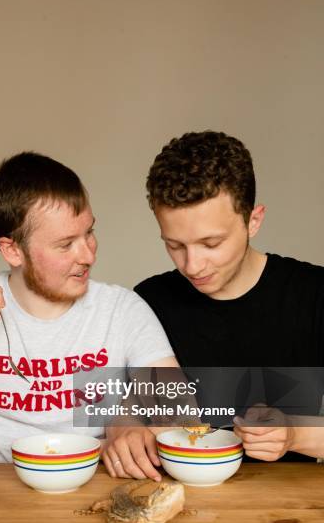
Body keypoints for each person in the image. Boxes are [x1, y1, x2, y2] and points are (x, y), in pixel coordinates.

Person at [0, 152, 178, 479]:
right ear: (13, 250)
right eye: (66, 244)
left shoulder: (122, 310)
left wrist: (124, 420)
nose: (88, 255)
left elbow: (179, 418)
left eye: (89, 233)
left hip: (92, 487)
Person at [135, 130, 324, 462]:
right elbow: (119, 411)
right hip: (181, 500)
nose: (192, 266)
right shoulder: (146, 303)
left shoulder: (314, 294)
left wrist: (294, 434)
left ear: (253, 221)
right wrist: (123, 429)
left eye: (211, 244)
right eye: (175, 245)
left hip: (292, 507)